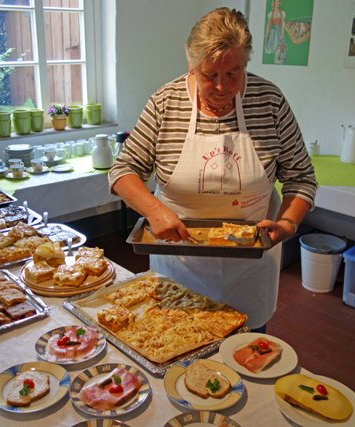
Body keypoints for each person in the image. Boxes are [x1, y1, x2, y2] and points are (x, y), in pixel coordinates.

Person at [108, 7, 317, 332]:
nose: (222, 87)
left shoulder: (269, 102)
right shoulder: (166, 103)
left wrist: (288, 223)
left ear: (245, 63)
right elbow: (122, 171)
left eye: (233, 73)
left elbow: (301, 178)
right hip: (180, 266)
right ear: (191, 64)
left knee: (243, 362)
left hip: (249, 270)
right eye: (209, 75)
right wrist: (155, 210)